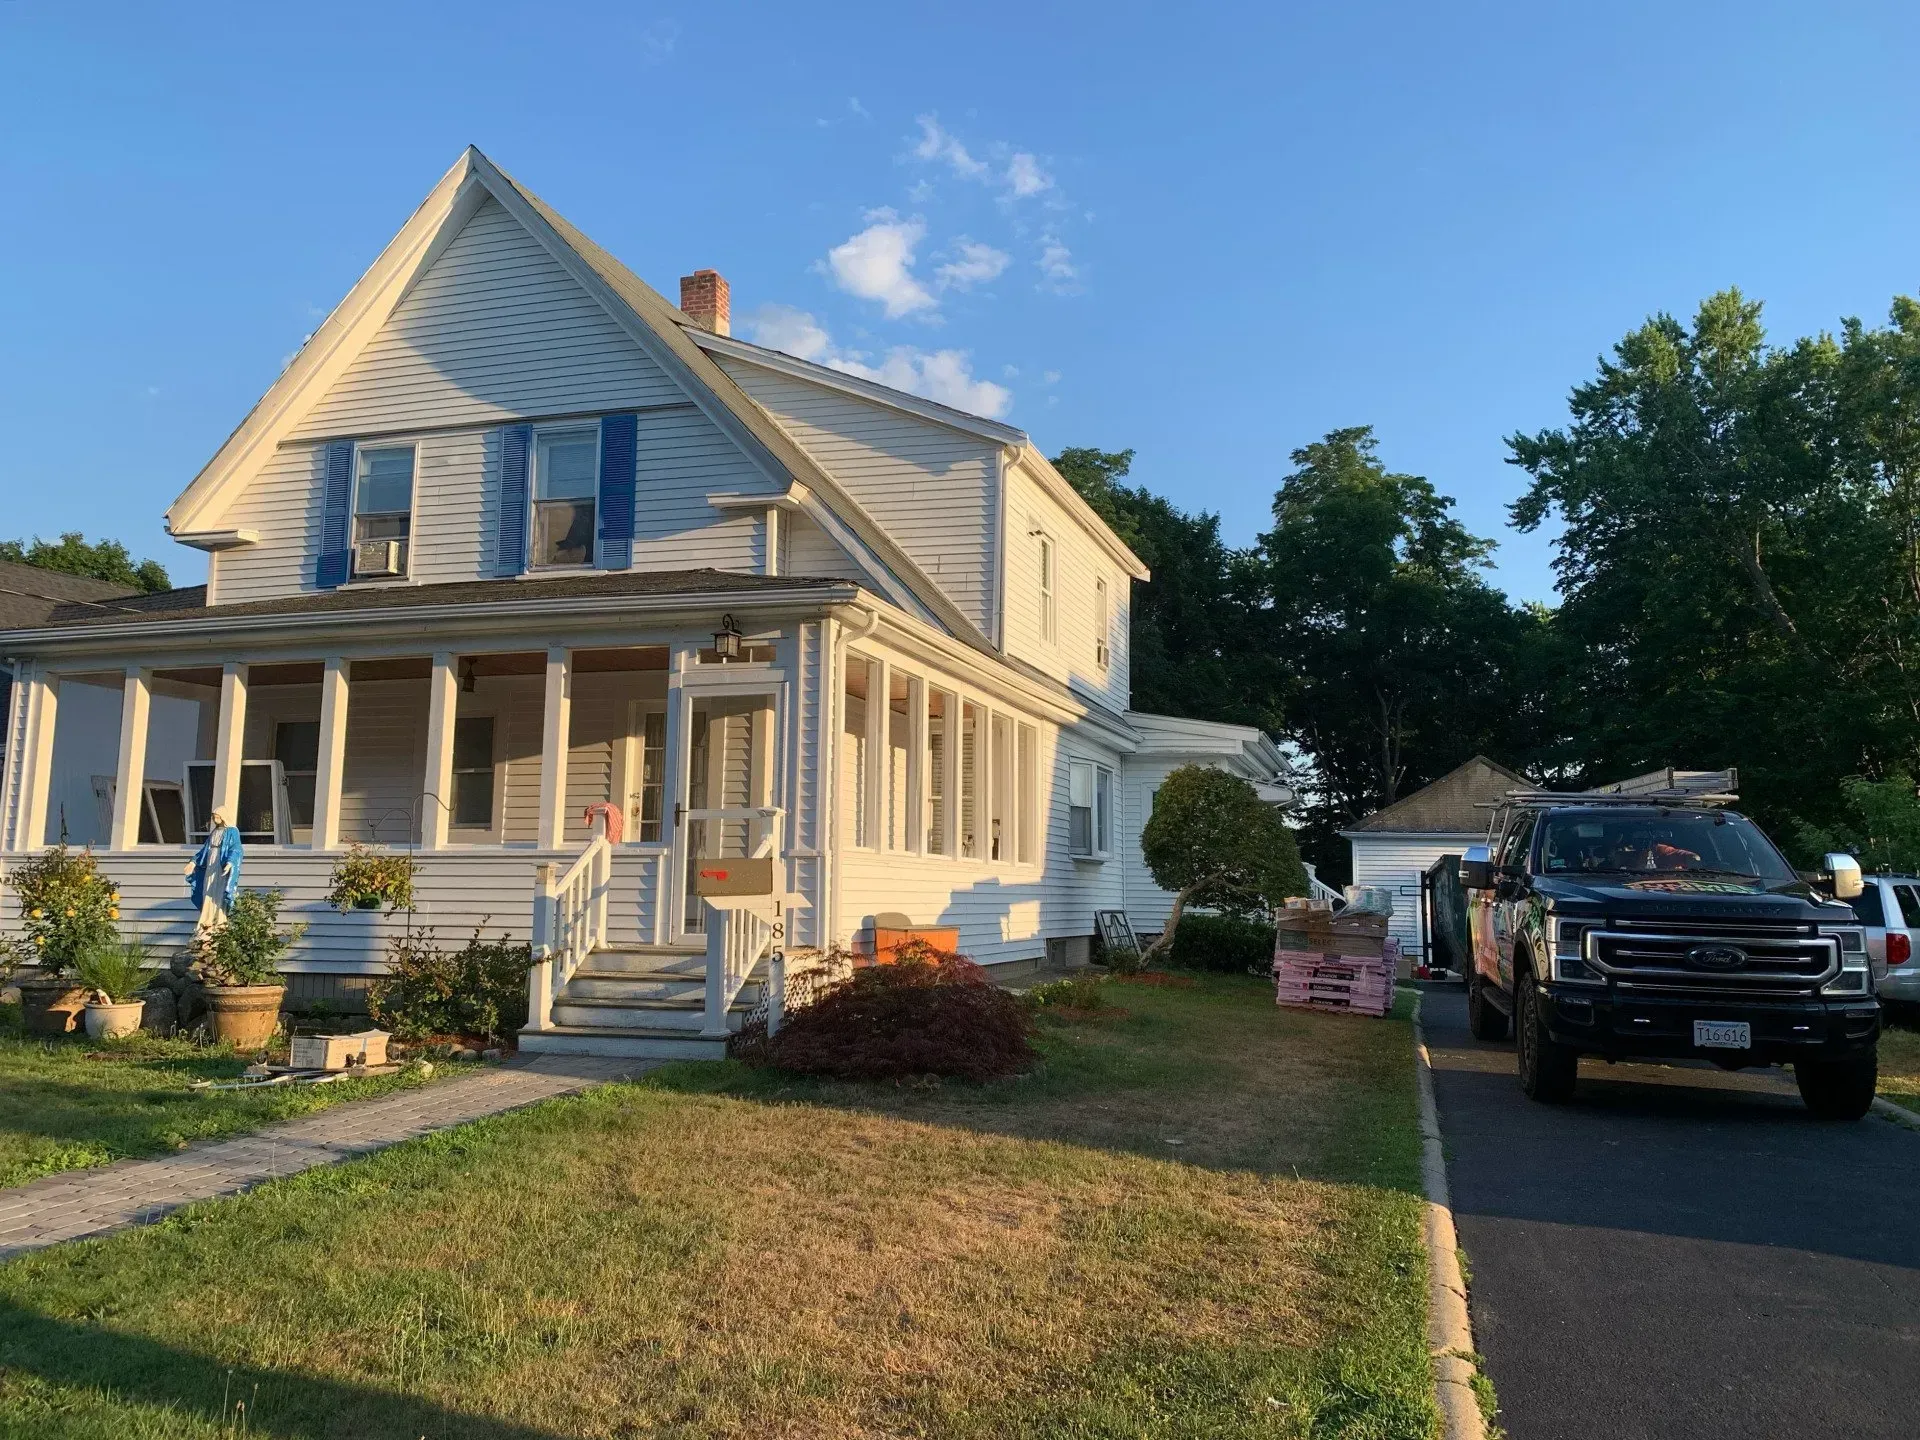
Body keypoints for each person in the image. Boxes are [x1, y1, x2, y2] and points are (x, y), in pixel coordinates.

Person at [186, 813, 243, 938]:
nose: (213, 819)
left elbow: (236, 849)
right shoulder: (214, 832)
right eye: (212, 816)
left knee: (218, 891)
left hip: (221, 867)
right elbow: (204, 850)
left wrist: (230, 862)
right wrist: (193, 861)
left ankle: (219, 921)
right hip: (210, 866)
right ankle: (206, 920)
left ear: (223, 816)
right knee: (207, 890)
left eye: (216, 816)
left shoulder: (232, 831)